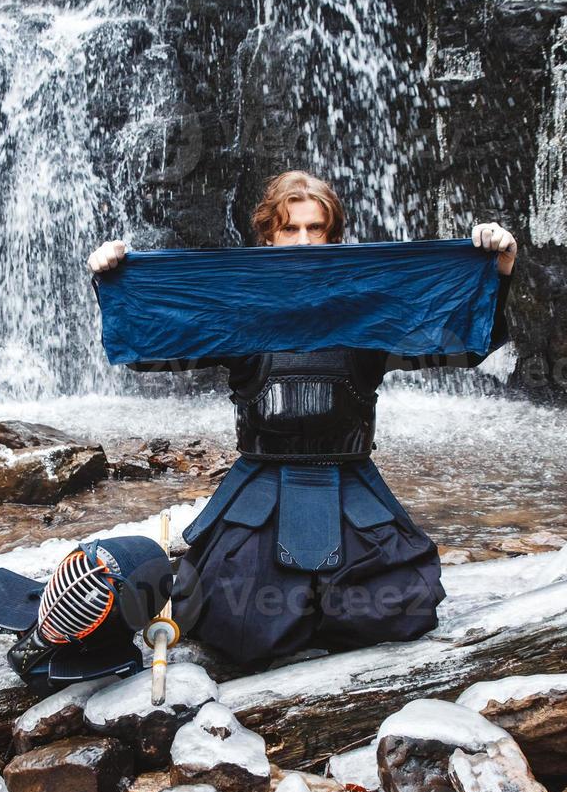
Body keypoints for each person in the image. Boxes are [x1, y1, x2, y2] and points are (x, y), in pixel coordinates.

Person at [87, 171, 517, 665]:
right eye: (290, 229)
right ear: (267, 237)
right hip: (262, 483)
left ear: (334, 237)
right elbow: (150, 348)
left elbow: (462, 342)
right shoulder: (238, 309)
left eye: (316, 229)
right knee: (239, 628)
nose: (304, 240)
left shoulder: (372, 309)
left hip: (351, 483)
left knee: (401, 612)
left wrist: (499, 269)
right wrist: (114, 278)